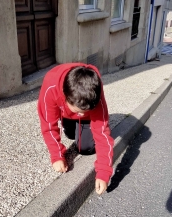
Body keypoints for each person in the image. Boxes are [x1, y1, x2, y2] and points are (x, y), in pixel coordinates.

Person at [37, 63, 114, 195]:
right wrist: (56, 156)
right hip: (64, 112)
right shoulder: (51, 87)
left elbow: (102, 133)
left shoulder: (95, 92)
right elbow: (48, 125)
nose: (82, 114)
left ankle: (79, 124)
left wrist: (104, 172)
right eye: (79, 111)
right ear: (65, 97)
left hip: (81, 111)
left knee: (86, 148)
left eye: (86, 111)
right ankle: (69, 122)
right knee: (70, 134)